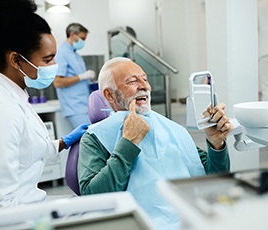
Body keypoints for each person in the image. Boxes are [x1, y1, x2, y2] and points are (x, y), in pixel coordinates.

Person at [78, 57, 233, 229]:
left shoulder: (171, 129)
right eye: (132, 81)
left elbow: (214, 179)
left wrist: (216, 144)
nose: (144, 86)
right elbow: (93, 197)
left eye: (145, 79)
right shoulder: (95, 138)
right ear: (109, 94)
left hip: (192, 217)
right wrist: (128, 143)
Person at [0, 0, 88, 213]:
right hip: (5, 219)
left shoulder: (14, 96)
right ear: (15, 60)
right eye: (47, 60)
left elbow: (27, 152)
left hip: (26, 207)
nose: (54, 67)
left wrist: (64, 142)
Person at [54, 23, 95, 129]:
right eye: (82, 38)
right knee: (89, 140)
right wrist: (81, 77)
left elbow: (79, 81)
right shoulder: (61, 53)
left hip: (84, 106)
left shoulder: (76, 55)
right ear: (72, 35)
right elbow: (57, 82)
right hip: (74, 108)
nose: (83, 42)